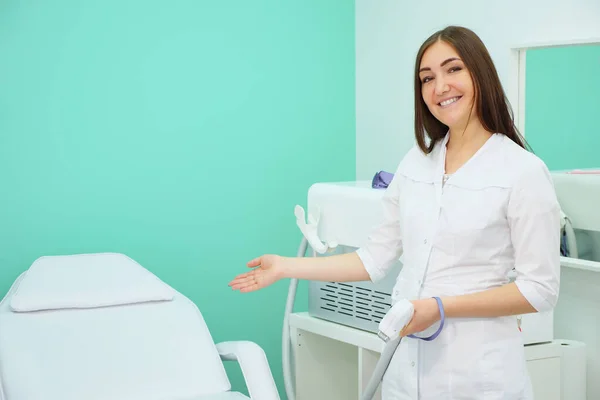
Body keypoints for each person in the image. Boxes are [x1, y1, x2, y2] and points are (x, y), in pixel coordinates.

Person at [229, 25, 560, 400]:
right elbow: (373, 260)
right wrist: (287, 266)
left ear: (480, 73)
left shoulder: (522, 171)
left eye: (453, 70)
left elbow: (539, 291)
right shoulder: (417, 163)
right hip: (408, 367)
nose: (440, 87)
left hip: (479, 375)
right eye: (427, 78)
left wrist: (439, 308)